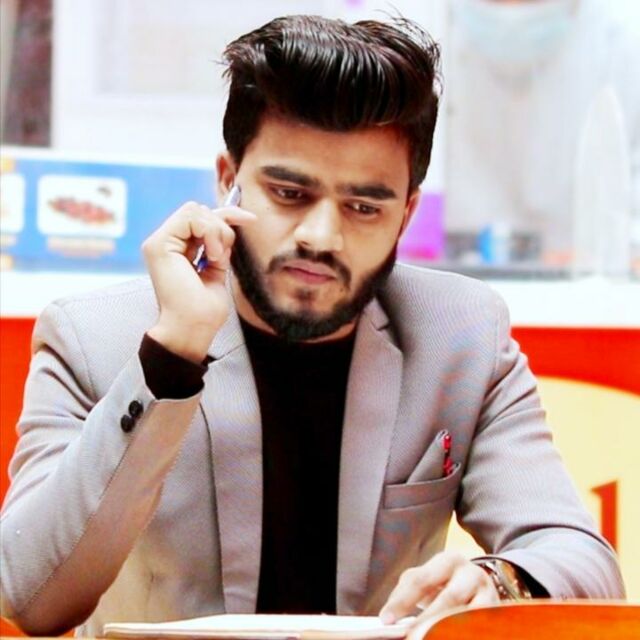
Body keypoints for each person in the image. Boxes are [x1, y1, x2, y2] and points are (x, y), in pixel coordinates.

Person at [0, 14, 624, 638]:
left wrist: (499, 582)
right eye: (290, 194)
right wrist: (170, 360)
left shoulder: (460, 335)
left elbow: (581, 559)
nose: (321, 237)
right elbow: (27, 599)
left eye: (363, 207)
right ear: (229, 181)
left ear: (406, 214)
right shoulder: (93, 336)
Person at [446, 0, 640, 264]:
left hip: (591, 283)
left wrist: (613, 259)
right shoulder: (423, 33)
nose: (512, 12)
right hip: (448, 278)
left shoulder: (625, 42)